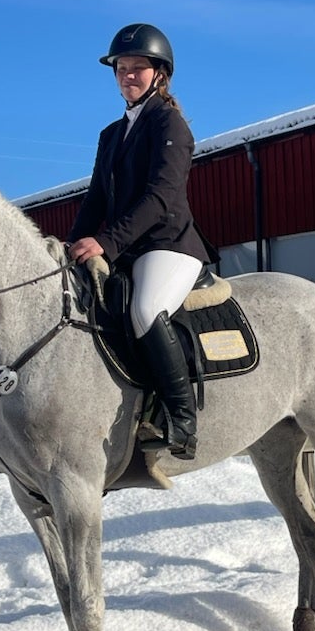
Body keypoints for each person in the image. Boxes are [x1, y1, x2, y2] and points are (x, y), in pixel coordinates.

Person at [67, 23, 214, 460]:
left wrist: (106, 244)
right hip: (127, 248)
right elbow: (96, 199)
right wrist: (73, 245)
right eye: (121, 68)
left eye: (137, 68)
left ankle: (182, 419)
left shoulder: (170, 125)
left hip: (169, 246)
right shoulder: (111, 134)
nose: (128, 75)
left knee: (146, 309)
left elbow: (160, 197)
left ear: (159, 75)